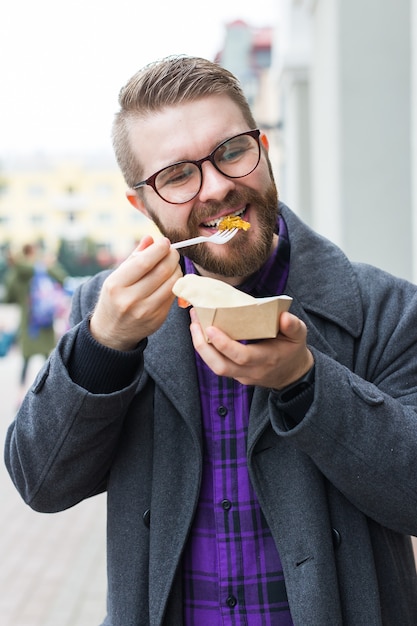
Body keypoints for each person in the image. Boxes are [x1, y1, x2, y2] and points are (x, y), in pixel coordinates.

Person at [4, 56, 417, 625]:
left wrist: (305, 383)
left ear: (263, 149)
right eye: (176, 176)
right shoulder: (107, 312)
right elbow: (42, 483)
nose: (218, 187)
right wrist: (105, 347)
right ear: (140, 204)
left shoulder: (386, 309)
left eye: (231, 152)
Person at [4, 243, 67, 399]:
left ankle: (20, 394)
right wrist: (48, 264)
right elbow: (62, 278)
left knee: (26, 359)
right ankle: (53, 392)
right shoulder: (43, 269)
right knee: (48, 358)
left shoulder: (19, 273)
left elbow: (9, 295)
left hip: (29, 324)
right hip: (44, 321)